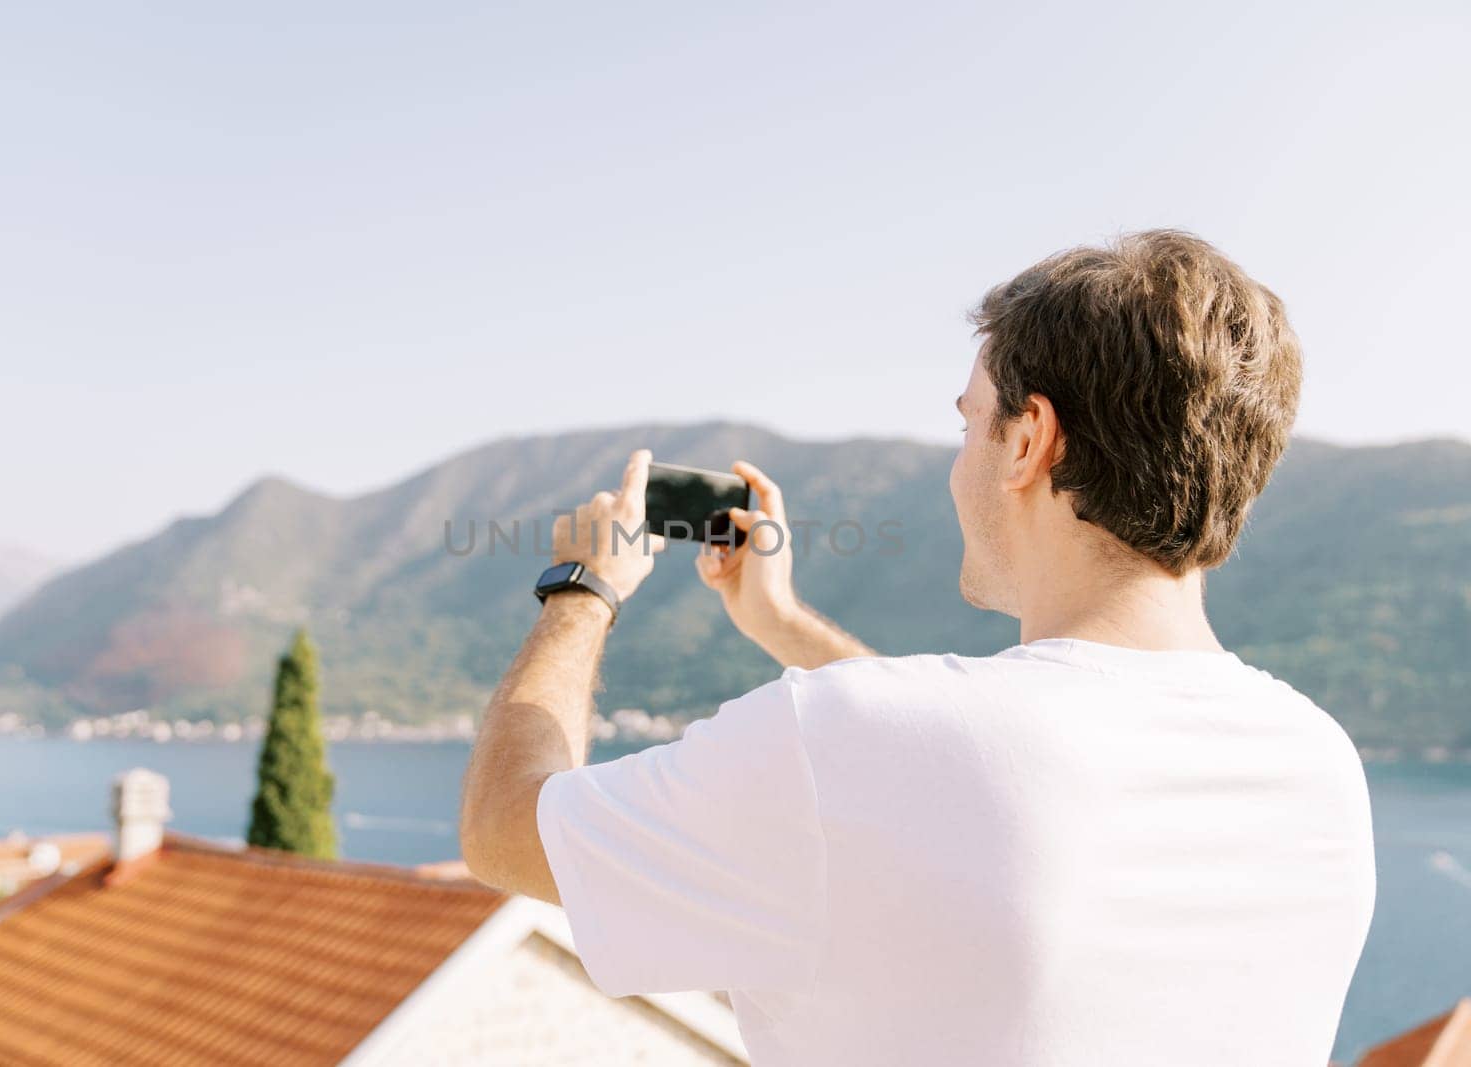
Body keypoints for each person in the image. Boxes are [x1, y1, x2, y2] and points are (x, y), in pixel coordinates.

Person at [458, 230, 1375, 1066]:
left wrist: (585, 589)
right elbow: (953, 771)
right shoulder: (1320, 768)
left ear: (1028, 440)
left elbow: (503, 831)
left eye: (968, 421)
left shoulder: (845, 742)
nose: (959, 458)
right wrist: (779, 621)